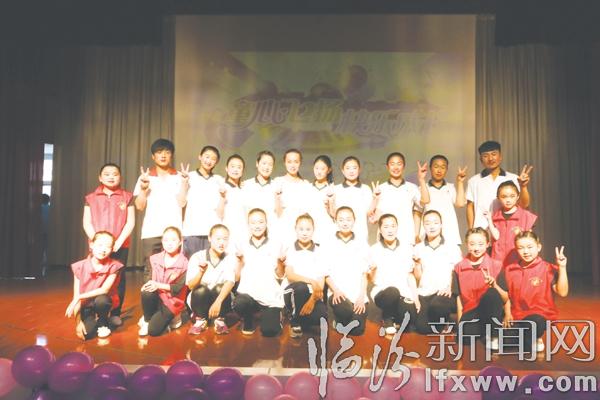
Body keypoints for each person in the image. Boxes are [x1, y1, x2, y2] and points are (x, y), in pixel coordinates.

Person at [498, 231, 569, 353]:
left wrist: (562, 267)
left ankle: (533, 338)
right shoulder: (509, 270)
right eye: (521, 248)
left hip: (539, 315)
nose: (526, 251)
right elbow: (507, 295)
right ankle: (528, 338)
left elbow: (562, 292)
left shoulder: (547, 268)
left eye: (530, 247)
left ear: (538, 247)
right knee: (504, 342)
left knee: (534, 323)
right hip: (517, 316)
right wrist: (507, 313)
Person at [83, 163, 135, 327]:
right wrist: (97, 242)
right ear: (100, 177)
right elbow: (86, 222)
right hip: (97, 247)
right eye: (107, 174)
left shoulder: (127, 197)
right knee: (95, 278)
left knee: (118, 279)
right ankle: (93, 311)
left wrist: (118, 242)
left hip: (120, 246)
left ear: (120, 177)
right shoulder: (91, 198)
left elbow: (130, 222)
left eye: (115, 174)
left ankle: (115, 313)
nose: (111, 177)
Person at [134, 138, 187, 280]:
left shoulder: (179, 177)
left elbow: (182, 203)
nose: (163, 155)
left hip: (174, 230)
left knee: (174, 271)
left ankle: (169, 296)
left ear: (171, 155)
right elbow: (139, 206)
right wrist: (143, 189)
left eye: (167, 152)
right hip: (151, 230)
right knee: (150, 271)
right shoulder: (145, 177)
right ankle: (151, 295)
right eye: (159, 152)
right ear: (153, 156)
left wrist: (184, 184)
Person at [233, 208, 286, 337]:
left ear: (266, 223)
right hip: (249, 296)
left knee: (270, 331)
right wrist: (240, 262)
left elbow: (280, 276)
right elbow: (236, 277)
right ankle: (248, 319)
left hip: (270, 297)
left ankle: (276, 315)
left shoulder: (276, 244)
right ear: (248, 225)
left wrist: (280, 263)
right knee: (239, 303)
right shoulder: (241, 245)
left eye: (261, 222)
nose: (257, 226)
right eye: (253, 223)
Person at [452, 228, 506, 349]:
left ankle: (494, 334)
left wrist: (494, 285)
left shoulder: (497, 265)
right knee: (465, 338)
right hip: (471, 311)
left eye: (481, 244)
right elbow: (459, 298)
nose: (476, 248)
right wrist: (460, 323)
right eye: (472, 244)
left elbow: (505, 298)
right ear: (467, 244)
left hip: (490, 311)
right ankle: (484, 332)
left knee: (492, 293)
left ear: (487, 244)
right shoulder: (458, 267)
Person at [65, 231, 123, 340]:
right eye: (100, 245)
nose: (103, 249)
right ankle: (97, 319)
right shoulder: (79, 267)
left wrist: (79, 297)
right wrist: (78, 323)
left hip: (103, 301)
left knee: (102, 300)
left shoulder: (114, 266)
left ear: (112, 249)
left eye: (108, 246)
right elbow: (76, 298)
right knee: (87, 334)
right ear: (91, 245)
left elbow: (104, 290)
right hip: (87, 304)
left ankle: (103, 321)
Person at [369, 214, 419, 335]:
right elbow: (371, 279)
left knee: (411, 318)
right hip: (383, 292)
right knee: (392, 292)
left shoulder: (407, 248)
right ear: (380, 230)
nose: (390, 230)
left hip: (403, 291)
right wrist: (373, 270)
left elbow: (410, 276)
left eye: (393, 226)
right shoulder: (374, 249)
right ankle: (387, 317)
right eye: (386, 227)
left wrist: (416, 298)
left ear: (397, 227)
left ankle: (396, 318)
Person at [414, 210, 462, 334]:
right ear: (423, 226)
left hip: (444, 293)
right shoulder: (418, 248)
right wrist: (417, 264)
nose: (432, 226)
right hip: (425, 293)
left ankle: (446, 319)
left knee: (438, 306)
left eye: (435, 223)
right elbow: (418, 277)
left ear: (441, 225)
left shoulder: (452, 247)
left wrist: (450, 287)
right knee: (422, 328)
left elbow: (458, 272)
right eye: (428, 223)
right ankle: (442, 321)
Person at [466, 140, 533, 229]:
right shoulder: (473, 181)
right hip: (481, 229)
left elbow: (524, 205)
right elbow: (470, 207)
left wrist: (523, 186)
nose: (490, 158)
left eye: (494, 154)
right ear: (481, 159)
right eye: (485, 156)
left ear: (500, 157)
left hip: (508, 228)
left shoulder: (514, 178)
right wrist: (471, 229)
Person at [323, 206, 369, 336]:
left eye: (348, 219)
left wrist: (361, 296)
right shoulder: (328, 243)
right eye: (341, 220)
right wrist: (336, 290)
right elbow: (325, 273)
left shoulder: (362, 243)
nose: (345, 223)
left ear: (354, 221)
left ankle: (340, 323)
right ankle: (339, 319)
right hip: (338, 293)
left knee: (358, 330)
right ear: (336, 221)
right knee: (346, 310)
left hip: (357, 295)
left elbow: (364, 273)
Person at [282, 214, 328, 338]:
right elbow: (290, 276)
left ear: (313, 230)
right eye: (301, 229)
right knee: (301, 287)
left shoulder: (320, 251)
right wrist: (311, 281)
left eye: (308, 229)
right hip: (293, 292)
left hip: (312, 294)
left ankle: (300, 316)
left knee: (321, 316)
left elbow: (321, 283)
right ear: (295, 229)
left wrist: (312, 301)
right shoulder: (290, 249)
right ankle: (294, 321)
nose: (304, 233)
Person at [186, 224, 237, 335]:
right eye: (218, 239)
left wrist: (218, 302)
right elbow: (191, 286)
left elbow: (230, 282)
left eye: (225, 239)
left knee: (220, 288)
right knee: (200, 290)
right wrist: (201, 272)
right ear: (209, 238)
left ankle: (220, 320)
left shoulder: (230, 258)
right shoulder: (197, 257)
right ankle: (200, 320)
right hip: (200, 300)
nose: (221, 243)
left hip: (220, 301)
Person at [138, 227, 189, 337]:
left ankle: (174, 316)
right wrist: (147, 285)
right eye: (166, 240)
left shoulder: (185, 263)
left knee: (153, 331)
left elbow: (178, 288)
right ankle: (147, 320)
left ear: (180, 241)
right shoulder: (153, 258)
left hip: (172, 301)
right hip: (157, 296)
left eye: (173, 240)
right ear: (162, 241)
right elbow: (147, 277)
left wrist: (158, 285)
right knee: (146, 291)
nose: (169, 243)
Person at [371, 152, 430, 246]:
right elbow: (375, 215)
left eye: (399, 164)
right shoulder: (380, 189)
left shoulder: (411, 187)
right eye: (392, 164)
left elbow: (425, 201)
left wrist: (421, 179)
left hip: (407, 236)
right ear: (387, 167)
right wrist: (374, 201)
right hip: (386, 238)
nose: (396, 167)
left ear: (404, 166)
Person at [182, 145, 225, 257]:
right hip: (192, 232)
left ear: (216, 162)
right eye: (207, 156)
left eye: (213, 159)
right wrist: (184, 183)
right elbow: (181, 203)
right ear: (200, 157)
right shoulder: (188, 176)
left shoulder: (219, 180)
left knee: (211, 265)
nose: (209, 161)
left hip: (212, 234)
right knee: (192, 265)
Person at [484, 181, 537, 265]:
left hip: (518, 261)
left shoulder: (526, 216)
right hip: (498, 261)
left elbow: (531, 241)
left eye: (512, 196)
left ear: (518, 196)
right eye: (504, 197)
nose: (508, 200)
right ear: (498, 198)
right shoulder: (494, 217)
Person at [419, 155, 466, 247]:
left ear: (447, 169)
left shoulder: (450, 187)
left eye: (443, 167)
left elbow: (460, 204)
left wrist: (460, 182)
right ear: (430, 168)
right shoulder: (422, 188)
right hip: (429, 233)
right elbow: (421, 206)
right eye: (436, 166)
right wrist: (421, 179)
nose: (439, 170)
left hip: (450, 233)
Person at [274, 149, 313, 245]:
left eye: (296, 162)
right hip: (282, 228)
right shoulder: (278, 182)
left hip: (302, 232)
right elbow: (277, 212)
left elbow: (308, 212)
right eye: (289, 162)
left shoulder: (306, 184)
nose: (292, 165)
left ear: (300, 163)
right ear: (284, 163)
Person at [332, 157, 373, 243]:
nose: (351, 171)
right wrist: (329, 202)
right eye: (348, 168)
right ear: (343, 171)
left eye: (354, 168)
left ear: (359, 170)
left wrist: (376, 199)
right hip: (340, 234)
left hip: (361, 232)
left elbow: (369, 213)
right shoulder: (336, 189)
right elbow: (333, 214)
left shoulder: (366, 189)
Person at [241, 151, 279, 236]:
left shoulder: (276, 186)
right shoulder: (246, 185)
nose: (266, 167)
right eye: (264, 163)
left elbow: (278, 213)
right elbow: (243, 212)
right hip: (249, 234)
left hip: (271, 234)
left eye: (270, 164)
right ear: (257, 164)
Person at [308, 155, 336, 244]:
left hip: (328, 231)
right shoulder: (307, 188)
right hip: (309, 232)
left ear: (329, 170)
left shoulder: (333, 189)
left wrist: (330, 205)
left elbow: (335, 215)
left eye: (322, 169)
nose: (319, 172)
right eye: (316, 168)